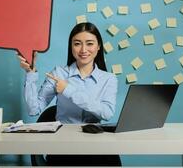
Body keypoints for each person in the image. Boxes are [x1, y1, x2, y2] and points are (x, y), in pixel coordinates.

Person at [17, 22, 121, 166]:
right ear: (71, 47)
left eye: (89, 43)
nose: (83, 49)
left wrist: (68, 90)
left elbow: (107, 113)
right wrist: (30, 73)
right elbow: (34, 109)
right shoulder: (58, 73)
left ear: (98, 47)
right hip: (63, 145)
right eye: (77, 43)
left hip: (96, 144)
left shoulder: (109, 79)